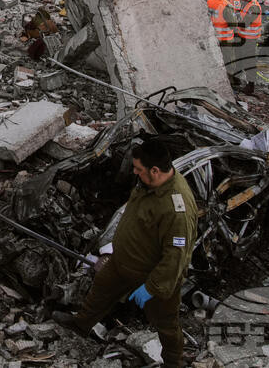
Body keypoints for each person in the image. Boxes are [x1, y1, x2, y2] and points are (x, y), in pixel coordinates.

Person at [58, 138, 197, 368]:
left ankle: (174, 362)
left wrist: (151, 287)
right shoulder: (149, 184)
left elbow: (176, 257)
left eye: (138, 169)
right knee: (101, 288)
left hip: (151, 277)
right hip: (123, 262)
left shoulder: (176, 209)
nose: (134, 172)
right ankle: (81, 324)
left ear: (154, 170)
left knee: (166, 323)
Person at [233, 0, 262, 95]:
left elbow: (245, 23)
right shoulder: (246, 4)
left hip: (249, 39)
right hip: (243, 37)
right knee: (239, 59)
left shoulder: (253, 6)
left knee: (249, 62)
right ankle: (237, 79)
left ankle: (250, 86)